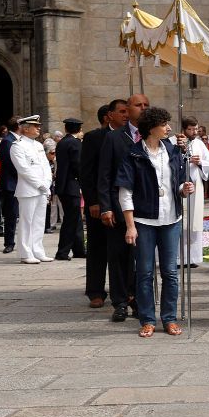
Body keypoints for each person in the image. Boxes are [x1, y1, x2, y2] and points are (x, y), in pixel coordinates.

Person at [116, 106, 193, 337]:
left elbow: (177, 182)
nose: (169, 128)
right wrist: (130, 226)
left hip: (171, 219)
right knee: (145, 273)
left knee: (170, 272)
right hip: (144, 220)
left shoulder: (172, 150)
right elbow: (125, 192)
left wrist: (184, 189)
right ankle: (147, 319)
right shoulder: (133, 154)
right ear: (152, 128)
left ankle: (169, 318)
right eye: (164, 124)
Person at [98, 94, 148, 322]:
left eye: (146, 105)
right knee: (118, 256)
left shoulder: (152, 136)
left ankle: (138, 299)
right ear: (128, 109)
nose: (143, 108)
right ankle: (120, 301)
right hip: (118, 207)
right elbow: (105, 174)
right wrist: (106, 206)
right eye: (138, 105)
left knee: (141, 258)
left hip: (146, 208)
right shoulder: (115, 137)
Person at [79, 105, 113, 308]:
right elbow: (87, 172)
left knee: (121, 249)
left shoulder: (129, 136)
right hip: (98, 202)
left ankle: (124, 289)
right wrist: (92, 200)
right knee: (97, 247)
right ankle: (95, 291)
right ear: (110, 116)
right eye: (123, 111)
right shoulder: (94, 137)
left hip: (120, 202)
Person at [10, 114, 53, 265]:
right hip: (28, 189)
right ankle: (25, 252)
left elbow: (45, 166)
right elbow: (24, 169)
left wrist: (47, 183)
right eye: (35, 126)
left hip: (42, 188)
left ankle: (38, 250)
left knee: (39, 221)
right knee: (26, 221)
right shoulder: (17, 146)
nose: (38, 128)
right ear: (26, 129)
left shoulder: (38, 145)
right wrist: (40, 185)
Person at [179, 118, 209, 267]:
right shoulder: (176, 142)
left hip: (196, 185)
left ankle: (192, 258)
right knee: (181, 220)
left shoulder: (199, 143)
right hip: (180, 185)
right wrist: (184, 158)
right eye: (190, 129)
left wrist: (199, 162)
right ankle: (178, 259)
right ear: (183, 129)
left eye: (196, 129)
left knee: (195, 221)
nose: (194, 132)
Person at [53, 118, 85, 261]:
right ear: (78, 130)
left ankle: (78, 249)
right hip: (72, 185)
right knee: (71, 220)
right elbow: (78, 165)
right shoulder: (75, 143)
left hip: (63, 186)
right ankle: (62, 252)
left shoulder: (62, 142)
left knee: (76, 218)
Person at [0, 116, 20, 253]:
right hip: (12, 182)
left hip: (21, 182)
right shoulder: (7, 141)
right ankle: (9, 242)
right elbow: (8, 162)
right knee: (11, 214)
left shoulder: (19, 140)